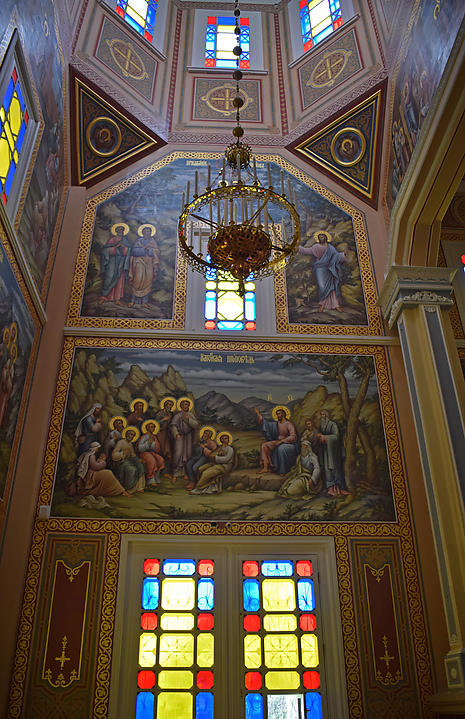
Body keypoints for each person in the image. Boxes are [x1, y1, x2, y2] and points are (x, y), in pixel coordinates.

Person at [298, 230, 347, 312]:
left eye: (323, 237)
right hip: (320, 269)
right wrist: (298, 247)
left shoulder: (330, 248)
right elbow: (306, 251)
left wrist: (343, 255)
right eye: (320, 237)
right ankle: (322, 304)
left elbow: (336, 256)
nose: (321, 238)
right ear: (318, 239)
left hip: (329, 268)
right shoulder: (316, 247)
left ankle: (335, 304)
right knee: (322, 286)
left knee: (332, 287)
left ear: (326, 238)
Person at [278, 419, 322, 499]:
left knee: (291, 491)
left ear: (308, 447)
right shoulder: (300, 457)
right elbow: (296, 468)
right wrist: (290, 473)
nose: (302, 448)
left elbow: (317, 468)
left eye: (304, 446)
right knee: (287, 485)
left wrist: (313, 479)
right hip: (301, 475)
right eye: (302, 446)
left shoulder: (312, 457)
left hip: (308, 478)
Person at [255, 405, 299, 475]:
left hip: (288, 443)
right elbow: (266, 424)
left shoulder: (289, 424)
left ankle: (282, 470)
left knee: (280, 449)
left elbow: (293, 436)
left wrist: (282, 441)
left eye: (279, 414)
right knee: (264, 445)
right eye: (277, 414)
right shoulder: (276, 424)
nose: (277, 416)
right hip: (278, 441)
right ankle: (265, 467)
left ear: (283, 414)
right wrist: (259, 415)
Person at [317, 409, 348, 497]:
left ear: (327, 416)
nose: (322, 416)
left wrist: (325, 437)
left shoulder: (333, 425)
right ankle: (330, 489)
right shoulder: (321, 426)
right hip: (326, 452)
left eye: (324, 414)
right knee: (327, 470)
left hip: (334, 452)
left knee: (335, 469)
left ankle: (339, 489)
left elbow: (336, 436)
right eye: (321, 415)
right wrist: (320, 437)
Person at [98, 223, 131, 305]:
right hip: (112, 262)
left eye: (122, 231)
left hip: (120, 263)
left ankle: (117, 299)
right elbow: (105, 251)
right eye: (119, 231)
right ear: (116, 231)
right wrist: (115, 247)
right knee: (109, 278)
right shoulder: (112, 240)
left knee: (119, 280)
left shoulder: (125, 241)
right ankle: (104, 296)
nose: (121, 232)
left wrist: (124, 247)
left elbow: (127, 252)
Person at [128, 224, 160, 308]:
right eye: (145, 231)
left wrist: (150, 250)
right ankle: (133, 301)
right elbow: (134, 251)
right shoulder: (138, 241)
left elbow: (156, 251)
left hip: (149, 263)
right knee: (137, 280)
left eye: (148, 231)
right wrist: (143, 249)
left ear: (151, 232)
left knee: (147, 281)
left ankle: (144, 302)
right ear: (142, 232)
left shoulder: (152, 241)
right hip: (138, 262)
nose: (147, 232)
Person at [170, 396, 199, 481]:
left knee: (188, 454)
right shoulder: (178, 415)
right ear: (181, 406)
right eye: (184, 404)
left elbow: (196, 425)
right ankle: (175, 473)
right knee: (178, 454)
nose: (186, 406)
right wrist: (176, 433)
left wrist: (189, 419)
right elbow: (173, 425)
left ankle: (185, 473)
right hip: (180, 436)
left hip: (188, 437)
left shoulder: (190, 415)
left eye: (187, 404)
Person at [111, 426, 145, 493]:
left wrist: (138, 460)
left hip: (128, 461)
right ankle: (128, 488)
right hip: (120, 462)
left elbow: (133, 455)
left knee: (140, 466)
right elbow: (114, 455)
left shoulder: (130, 444)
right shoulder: (121, 442)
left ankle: (139, 487)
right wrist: (122, 453)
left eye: (133, 435)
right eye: (130, 434)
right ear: (126, 434)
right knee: (132, 469)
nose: (131, 436)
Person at [185, 426, 217, 490]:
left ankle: (197, 482)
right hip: (197, 456)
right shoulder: (201, 441)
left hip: (205, 458)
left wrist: (204, 448)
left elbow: (213, 454)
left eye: (206, 434)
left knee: (195, 467)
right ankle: (192, 481)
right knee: (188, 464)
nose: (204, 435)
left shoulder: (212, 443)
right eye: (204, 433)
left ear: (210, 436)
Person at [137, 420, 165, 488]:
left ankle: (156, 477)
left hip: (151, 452)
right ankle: (150, 479)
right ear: (147, 428)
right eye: (151, 427)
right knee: (152, 461)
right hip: (144, 453)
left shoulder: (154, 437)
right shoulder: (144, 437)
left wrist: (153, 445)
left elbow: (157, 448)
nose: (152, 428)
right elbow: (140, 448)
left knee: (160, 459)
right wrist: (148, 444)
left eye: (153, 427)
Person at [155, 397, 176, 479]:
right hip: (160, 434)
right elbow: (155, 424)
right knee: (160, 451)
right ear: (165, 405)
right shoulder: (160, 413)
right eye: (169, 404)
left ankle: (166, 472)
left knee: (168, 452)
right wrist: (163, 419)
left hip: (168, 434)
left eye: (171, 405)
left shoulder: (171, 414)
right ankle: (158, 471)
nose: (170, 406)